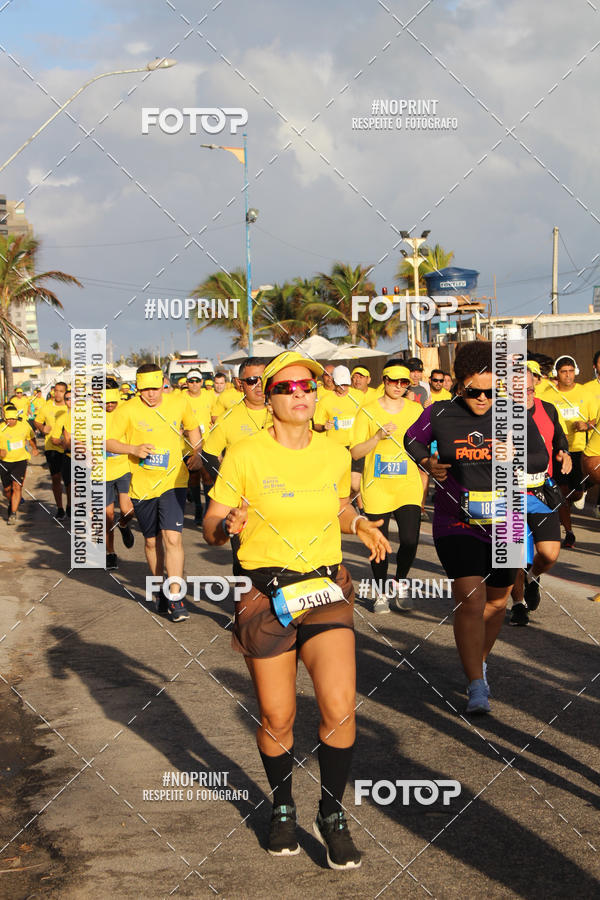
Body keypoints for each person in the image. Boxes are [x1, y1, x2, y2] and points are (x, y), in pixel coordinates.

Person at [203, 351, 390, 869]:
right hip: (266, 595)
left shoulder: (333, 452)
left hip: (325, 588)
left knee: (338, 707)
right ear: (269, 394)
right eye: (287, 387)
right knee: (277, 716)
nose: (300, 394)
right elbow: (212, 524)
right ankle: (282, 805)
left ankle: (330, 814)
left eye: (308, 385)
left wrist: (361, 525)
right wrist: (227, 527)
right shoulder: (245, 453)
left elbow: (338, 504)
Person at [404, 341, 516, 715]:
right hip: (456, 519)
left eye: (490, 390)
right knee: (471, 597)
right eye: (474, 391)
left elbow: (540, 455)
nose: (483, 398)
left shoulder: (510, 413)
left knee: (498, 601)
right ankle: (476, 685)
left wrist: (515, 453)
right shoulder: (440, 413)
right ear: (459, 384)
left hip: (506, 519)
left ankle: (477, 662)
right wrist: (426, 461)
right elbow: (410, 439)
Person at [105, 364, 203, 622]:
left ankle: (176, 597)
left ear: (164, 384)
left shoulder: (178, 402)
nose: (151, 394)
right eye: (145, 389)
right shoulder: (126, 410)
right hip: (141, 486)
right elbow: (108, 441)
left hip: (173, 483)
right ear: (138, 388)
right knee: (151, 541)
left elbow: (193, 428)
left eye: (155, 388)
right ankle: (161, 588)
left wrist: (197, 452)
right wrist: (132, 449)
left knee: (172, 539)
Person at [351, 363, 423, 613]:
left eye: (405, 383)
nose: (399, 387)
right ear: (384, 380)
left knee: (410, 540)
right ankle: (381, 592)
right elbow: (355, 451)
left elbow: (426, 443)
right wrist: (377, 437)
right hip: (377, 486)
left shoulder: (416, 410)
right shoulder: (367, 411)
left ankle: (400, 582)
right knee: (379, 542)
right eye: (394, 382)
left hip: (408, 485)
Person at [509, 369, 571, 626]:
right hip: (510, 493)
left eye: (528, 390)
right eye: (517, 391)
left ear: (535, 387)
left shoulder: (549, 409)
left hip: (541, 491)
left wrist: (564, 454)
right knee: (516, 554)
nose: (523, 395)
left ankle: (533, 578)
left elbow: (560, 440)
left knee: (549, 553)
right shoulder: (500, 416)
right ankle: (518, 604)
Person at [84, 382, 135, 570]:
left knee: (128, 510)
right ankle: (110, 553)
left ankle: (123, 525)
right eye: (106, 401)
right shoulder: (91, 415)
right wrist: (87, 454)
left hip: (124, 467)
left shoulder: (127, 411)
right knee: (106, 516)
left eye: (113, 401)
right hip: (100, 471)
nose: (110, 405)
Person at [541, 356, 588, 547]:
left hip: (579, 449)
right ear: (556, 374)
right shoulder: (546, 394)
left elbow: (595, 418)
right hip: (557, 450)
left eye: (570, 371)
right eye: (563, 371)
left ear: (575, 371)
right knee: (561, 492)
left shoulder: (585, 392)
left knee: (575, 493)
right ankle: (569, 532)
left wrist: (587, 424)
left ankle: (580, 494)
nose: (567, 375)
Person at [35, 381, 68, 518]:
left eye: (61, 391)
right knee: (56, 478)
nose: (58, 393)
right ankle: (60, 508)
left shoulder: (70, 407)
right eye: (56, 390)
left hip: (68, 447)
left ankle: (71, 506)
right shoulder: (46, 407)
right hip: (51, 447)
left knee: (70, 480)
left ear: (66, 392)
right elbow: (37, 420)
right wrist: (42, 428)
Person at [0, 403, 38, 524]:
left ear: (16, 418)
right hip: (4, 462)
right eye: (8, 419)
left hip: (20, 460)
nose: (10, 421)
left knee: (17, 486)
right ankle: (12, 503)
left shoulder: (24, 426)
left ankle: (13, 513)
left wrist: (34, 447)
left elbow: (31, 437)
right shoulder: (1, 428)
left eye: (13, 419)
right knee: (7, 489)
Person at [184, 369, 212, 525]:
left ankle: (207, 509)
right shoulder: (180, 398)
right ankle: (197, 507)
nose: (194, 384)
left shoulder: (209, 396)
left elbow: (215, 417)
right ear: (187, 383)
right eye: (191, 381)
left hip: (206, 443)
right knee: (193, 478)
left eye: (197, 381)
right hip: (187, 445)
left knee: (207, 476)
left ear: (202, 382)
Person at [50, 386, 73, 517]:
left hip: (87, 457)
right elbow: (54, 438)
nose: (70, 401)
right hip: (69, 455)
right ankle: (69, 506)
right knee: (71, 485)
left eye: (73, 398)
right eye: (67, 399)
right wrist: (65, 443)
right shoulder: (62, 418)